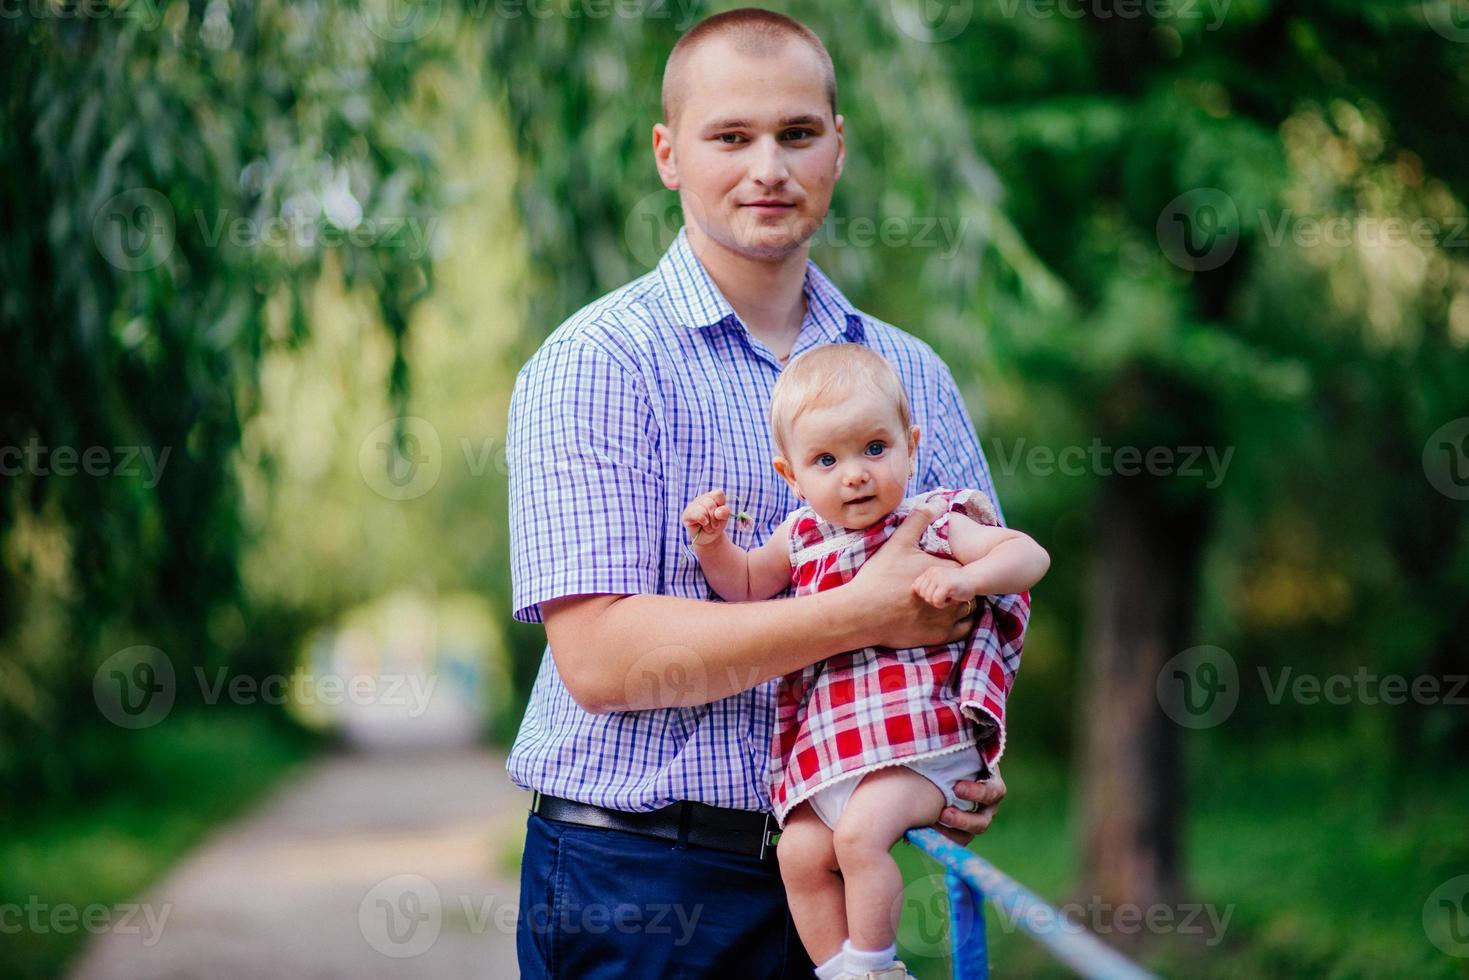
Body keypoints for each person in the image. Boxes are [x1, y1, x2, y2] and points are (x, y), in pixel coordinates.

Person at [504, 8, 1030, 978]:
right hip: (641, 881)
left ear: (838, 146)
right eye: (729, 137)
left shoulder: (905, 371)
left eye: (796, 133)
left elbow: (987, 591)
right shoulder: (594, 365)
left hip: (844, 869)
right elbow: (604, 658)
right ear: (668, 154)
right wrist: (854, 612)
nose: (767, 168)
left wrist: (964, 748)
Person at [680, 343, 1047, 980]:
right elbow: (741, 583)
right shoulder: (799, 538)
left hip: (923, 742)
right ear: (791, 476)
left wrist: (969, 579)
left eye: (875, 449)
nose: (855, 474)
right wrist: (713, 543)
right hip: (841, 754)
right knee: (798, 851)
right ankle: (839, 971)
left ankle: (876, 967)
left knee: (856, 838)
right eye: (826, 459)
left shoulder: (934, 519)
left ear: (910, 444)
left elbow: (1027, 557)